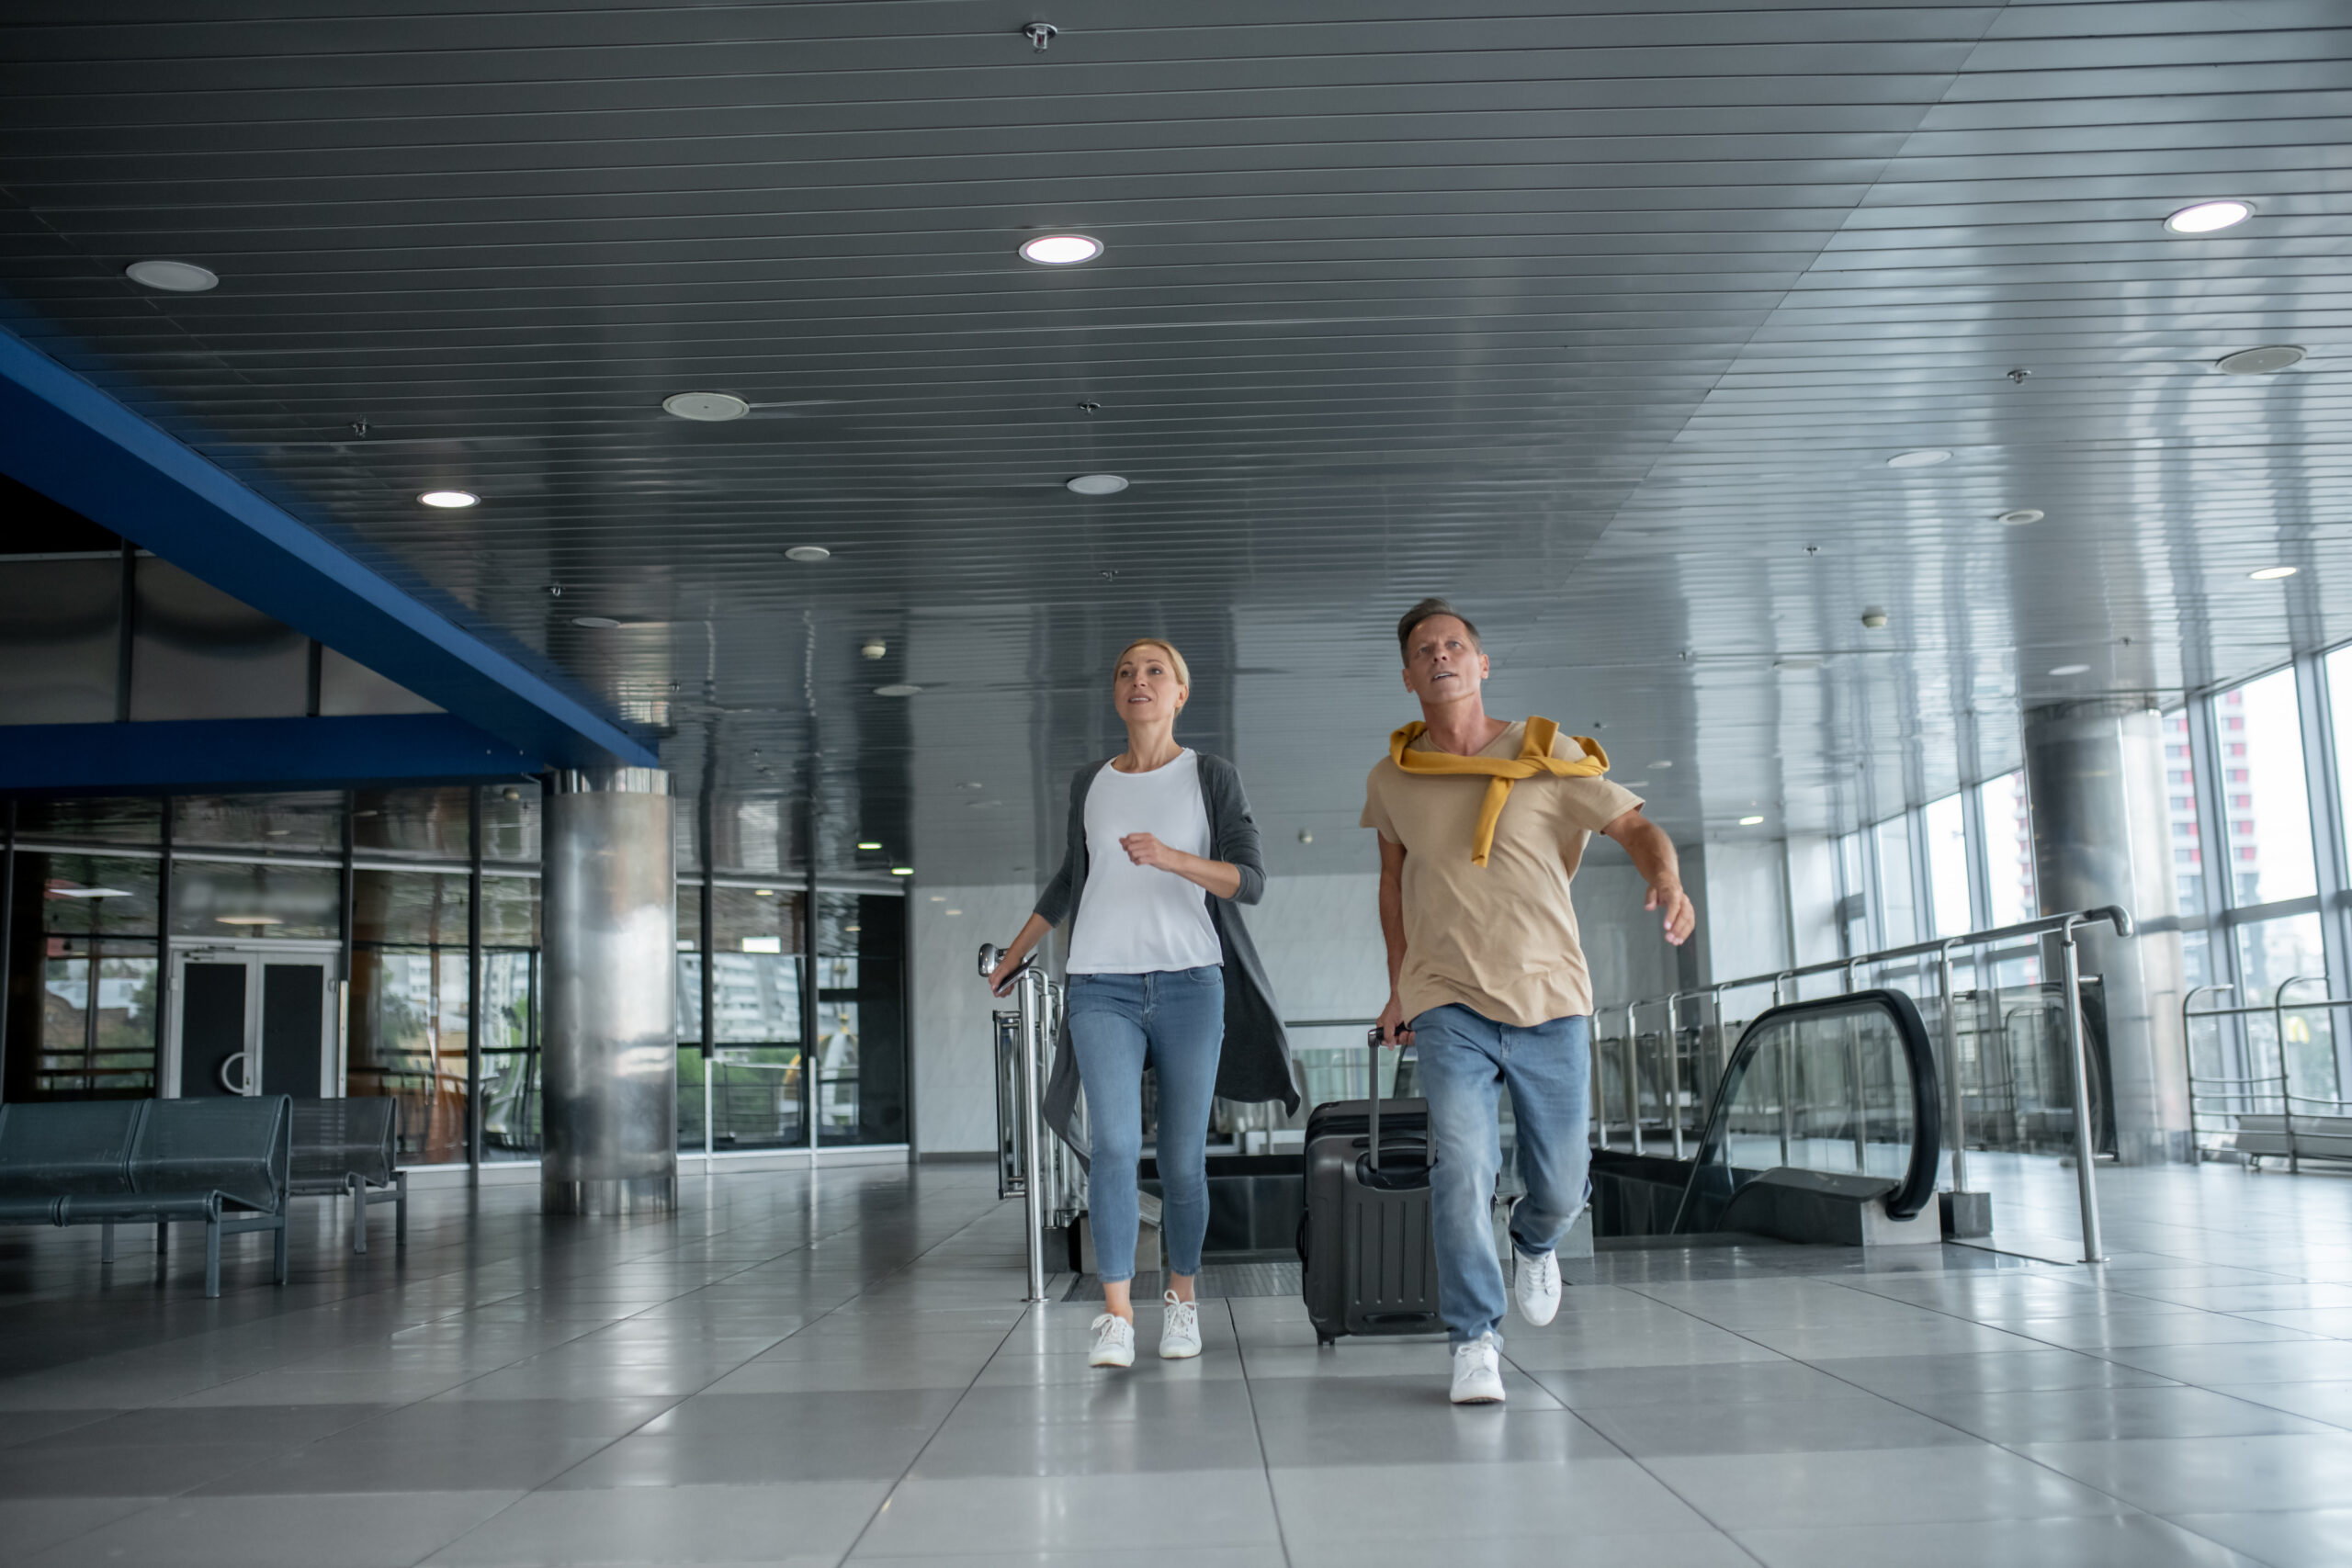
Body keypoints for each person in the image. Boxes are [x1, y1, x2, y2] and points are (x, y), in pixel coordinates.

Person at [1363, 598, 1694, 1404]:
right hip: (1447, 1000)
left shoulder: (1550, 756)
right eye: (1423, 650)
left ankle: (1535, 1239)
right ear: (1408, 678)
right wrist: (1399, 986)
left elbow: (1634, 823)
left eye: (1454, 644)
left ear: (1481, 664)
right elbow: (1393, 882)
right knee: (1462, 1165)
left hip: (1550, 996)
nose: (1440, 655)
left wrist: (1667, 876)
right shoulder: (1392, 777)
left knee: (1559, 1183)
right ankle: (1474, 1337)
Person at [988, 637, 1295, 1370]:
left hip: (1191, 981)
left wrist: (1173, 857)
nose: (1138, 679)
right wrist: (1016, 949)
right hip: (1101, 983)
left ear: (1181, 693)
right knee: (1118, 1147)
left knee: (1185, 1161)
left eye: (1155, 670)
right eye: (1126, 670)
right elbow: (1073, 875)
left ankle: (1181, 1298)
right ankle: (1117, 1313)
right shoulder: (1090, 781)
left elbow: (1250, 879)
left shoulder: (1211, 776)